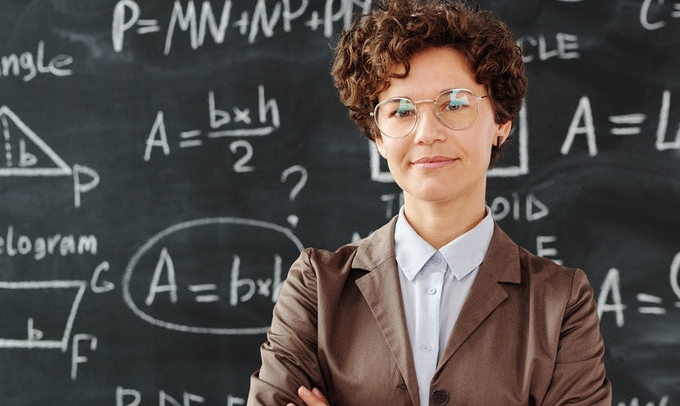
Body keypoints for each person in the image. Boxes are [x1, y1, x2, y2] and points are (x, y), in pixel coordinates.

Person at [248, 0, 611, 405]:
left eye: (454, 104)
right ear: (378, 136)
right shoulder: (318, 288)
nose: (427, 133)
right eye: (401, 111)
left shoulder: (560, 303)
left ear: (501, 123)